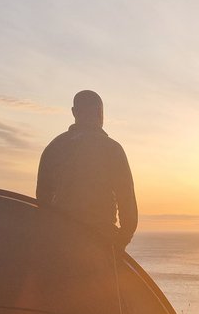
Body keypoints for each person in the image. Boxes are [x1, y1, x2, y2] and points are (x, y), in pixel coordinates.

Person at [36, 90, 138, 250]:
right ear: (100, 113)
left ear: (74, 112)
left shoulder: (53, 148)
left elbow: (42, 200)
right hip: (100, 239)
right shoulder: (112, 148)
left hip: (61, 239)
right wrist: (121, 241)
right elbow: (127, 201)